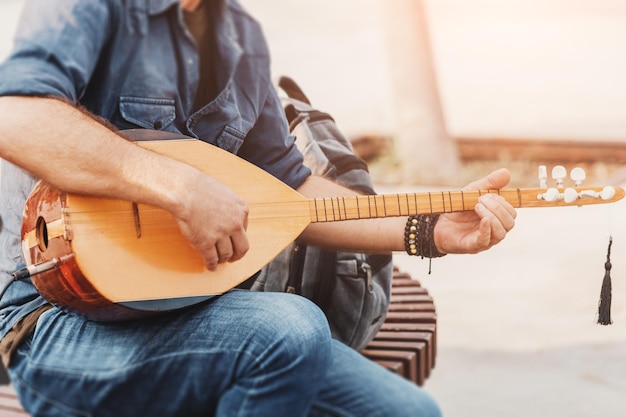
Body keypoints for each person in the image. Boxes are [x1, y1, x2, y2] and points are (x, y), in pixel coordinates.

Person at [0, 0, 517, 415]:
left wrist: (429, 230)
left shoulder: (240, 37)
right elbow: (16, 118)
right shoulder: (88, 6)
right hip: (59, 323)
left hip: (200, 315)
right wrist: (177, 183)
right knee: (294, 329)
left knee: (409, 412)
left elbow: (294, 193)